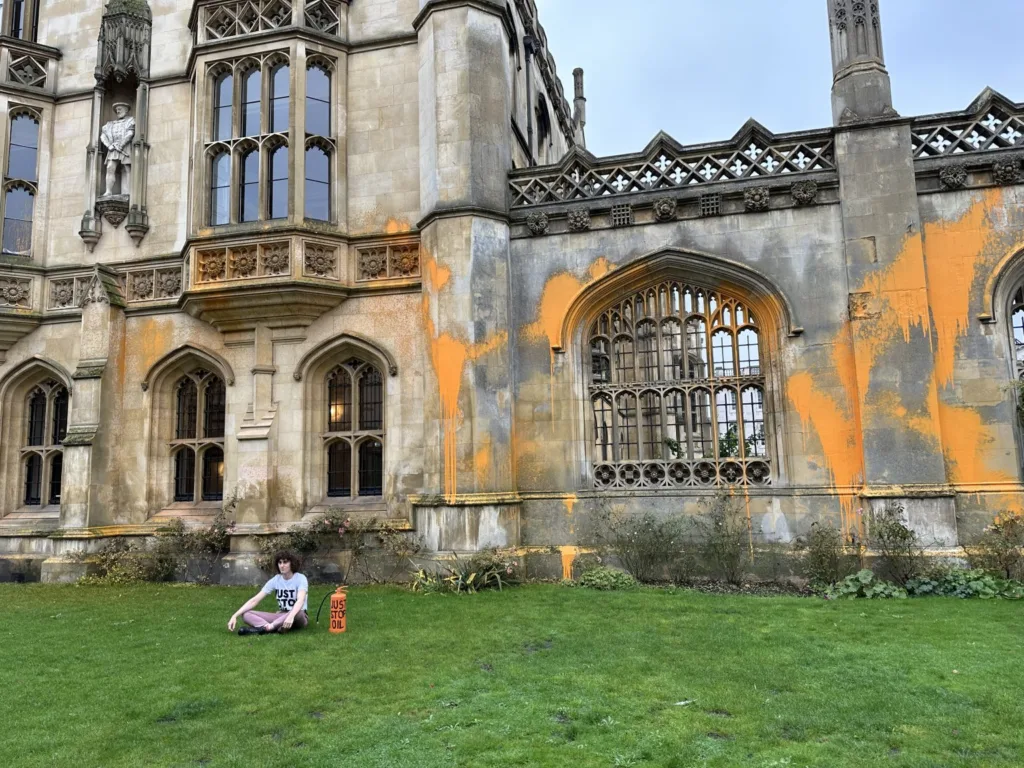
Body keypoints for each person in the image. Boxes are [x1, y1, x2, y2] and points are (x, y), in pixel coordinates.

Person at [228, 551, 309, 635]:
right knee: (246, 614)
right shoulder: (276, 580)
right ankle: (269, 627)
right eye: (280, 562)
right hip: (281, 615)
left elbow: (300, 600)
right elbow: (254, 600)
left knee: (299, 611)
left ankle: (270, 627)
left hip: (298, 617)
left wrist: (291, 616)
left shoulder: (300, 578)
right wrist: (234, 615)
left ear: (292, 563)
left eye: (285, 562)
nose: (282, 565)